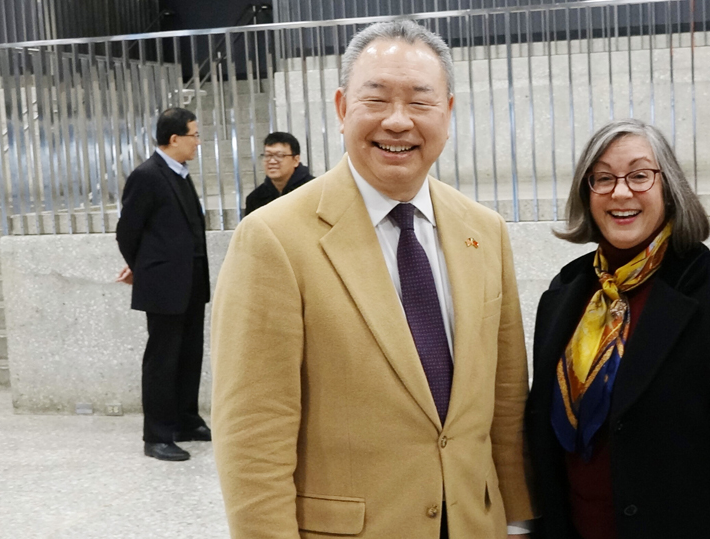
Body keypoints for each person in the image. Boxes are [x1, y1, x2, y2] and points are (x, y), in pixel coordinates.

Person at [210, 20, 534, 538]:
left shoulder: (485, 231)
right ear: (342, 109)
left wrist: (518, 519)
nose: (398, 121)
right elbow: (253, 431)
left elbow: (506, 398)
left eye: (420, 102)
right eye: (376, 99)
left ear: (448, 113)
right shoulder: (274, 238)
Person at [525, 119, 710, 539]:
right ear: (587, 193)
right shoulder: (565, 291)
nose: (621, 192)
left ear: (669, 188)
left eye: (640, 175)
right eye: (603, 178)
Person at [115, 107, 212, 462]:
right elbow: (127, 232)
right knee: (163, 360)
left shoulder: (180, 173)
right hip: (164, 285)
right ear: (174, 139)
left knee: (189, 355)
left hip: (191, 282)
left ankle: (186, 421)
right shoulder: (147, 176)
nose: (197, 142)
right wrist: (142, 269)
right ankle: (156, 435)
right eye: (194, 135)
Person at [244, 131, 314, 216]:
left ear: (296, 160)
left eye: (279, 155)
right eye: (267, 155)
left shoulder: (315, 190)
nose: (272, 161)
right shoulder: (255, 198)